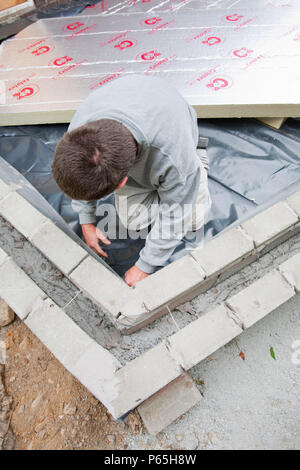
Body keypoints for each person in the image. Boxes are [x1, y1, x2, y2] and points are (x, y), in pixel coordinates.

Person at [52, 74, 211, 286]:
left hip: (173, 136)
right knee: (135, 222)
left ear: (120, 183)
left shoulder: (174, 155)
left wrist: (145, 265)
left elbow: (177, 214)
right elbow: (80, 176)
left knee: (193, 221)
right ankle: (164, 187)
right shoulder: (80, 131)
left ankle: (199, 158)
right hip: (138, 138)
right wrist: (86, 220)